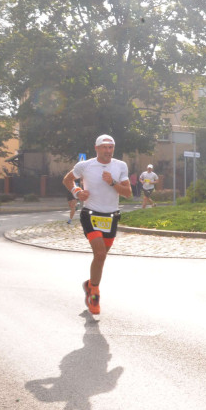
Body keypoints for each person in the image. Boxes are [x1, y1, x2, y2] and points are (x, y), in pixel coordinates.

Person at [63, 134, 132, 315]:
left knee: (100, 258)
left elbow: (128, 193)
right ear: (97, 148)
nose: (108, 151)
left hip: (111, 216)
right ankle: (94, 295)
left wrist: (113, 182)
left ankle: (90, 284)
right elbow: (67, 179)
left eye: (111, 147)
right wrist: (77, 191)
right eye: (104, 147)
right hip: (90, 214)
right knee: (100, 253)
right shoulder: (85, 166)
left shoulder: (120, 166)